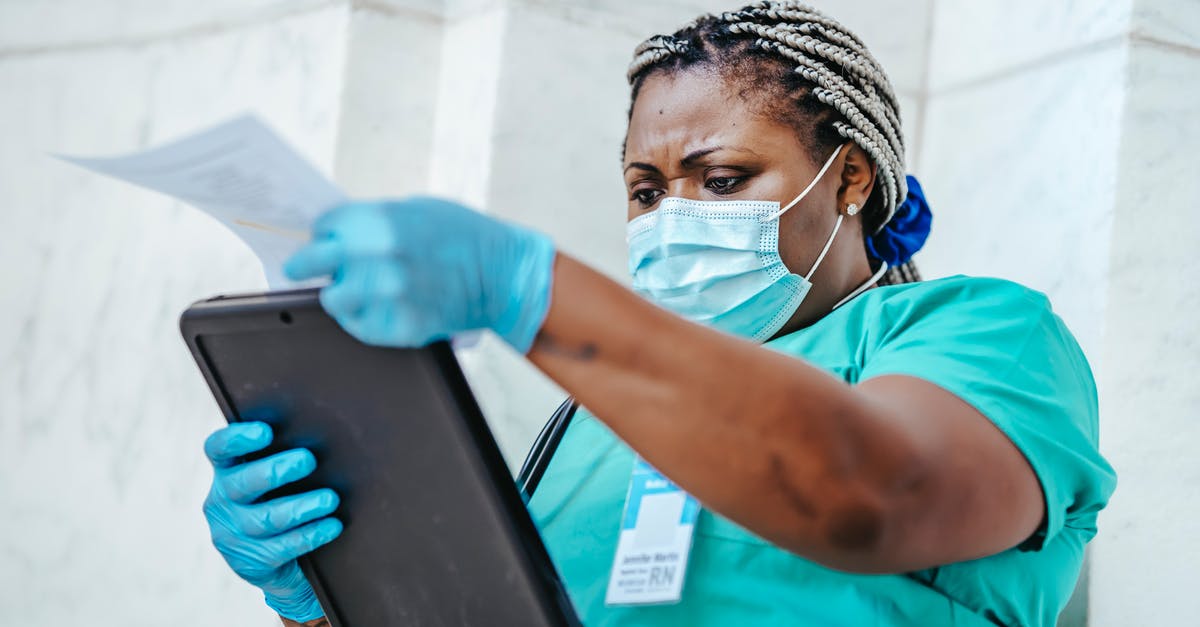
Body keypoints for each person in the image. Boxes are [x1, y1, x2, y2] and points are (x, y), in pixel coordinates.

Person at [199, 2, 1116, 625]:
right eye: (645, 190)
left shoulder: (980, 332)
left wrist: (529, 287)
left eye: (721, 179)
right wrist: (332, 581)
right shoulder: (590, 418)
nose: (675, 217)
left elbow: (873, 497)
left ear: (850, 178)